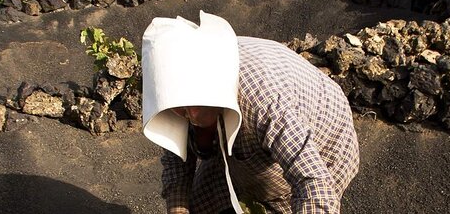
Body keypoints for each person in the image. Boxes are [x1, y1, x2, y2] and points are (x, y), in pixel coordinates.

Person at [141, 11, 360, 214]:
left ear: (213, 92)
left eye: (193, 106)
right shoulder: (174, 96)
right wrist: (178, 210)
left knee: (286, 198)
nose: (187, 114)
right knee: (199, 205)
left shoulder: (265, 102)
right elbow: (177, 162)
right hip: (242, 143)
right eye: (179, 108)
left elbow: (313, 183)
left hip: (325, 138)